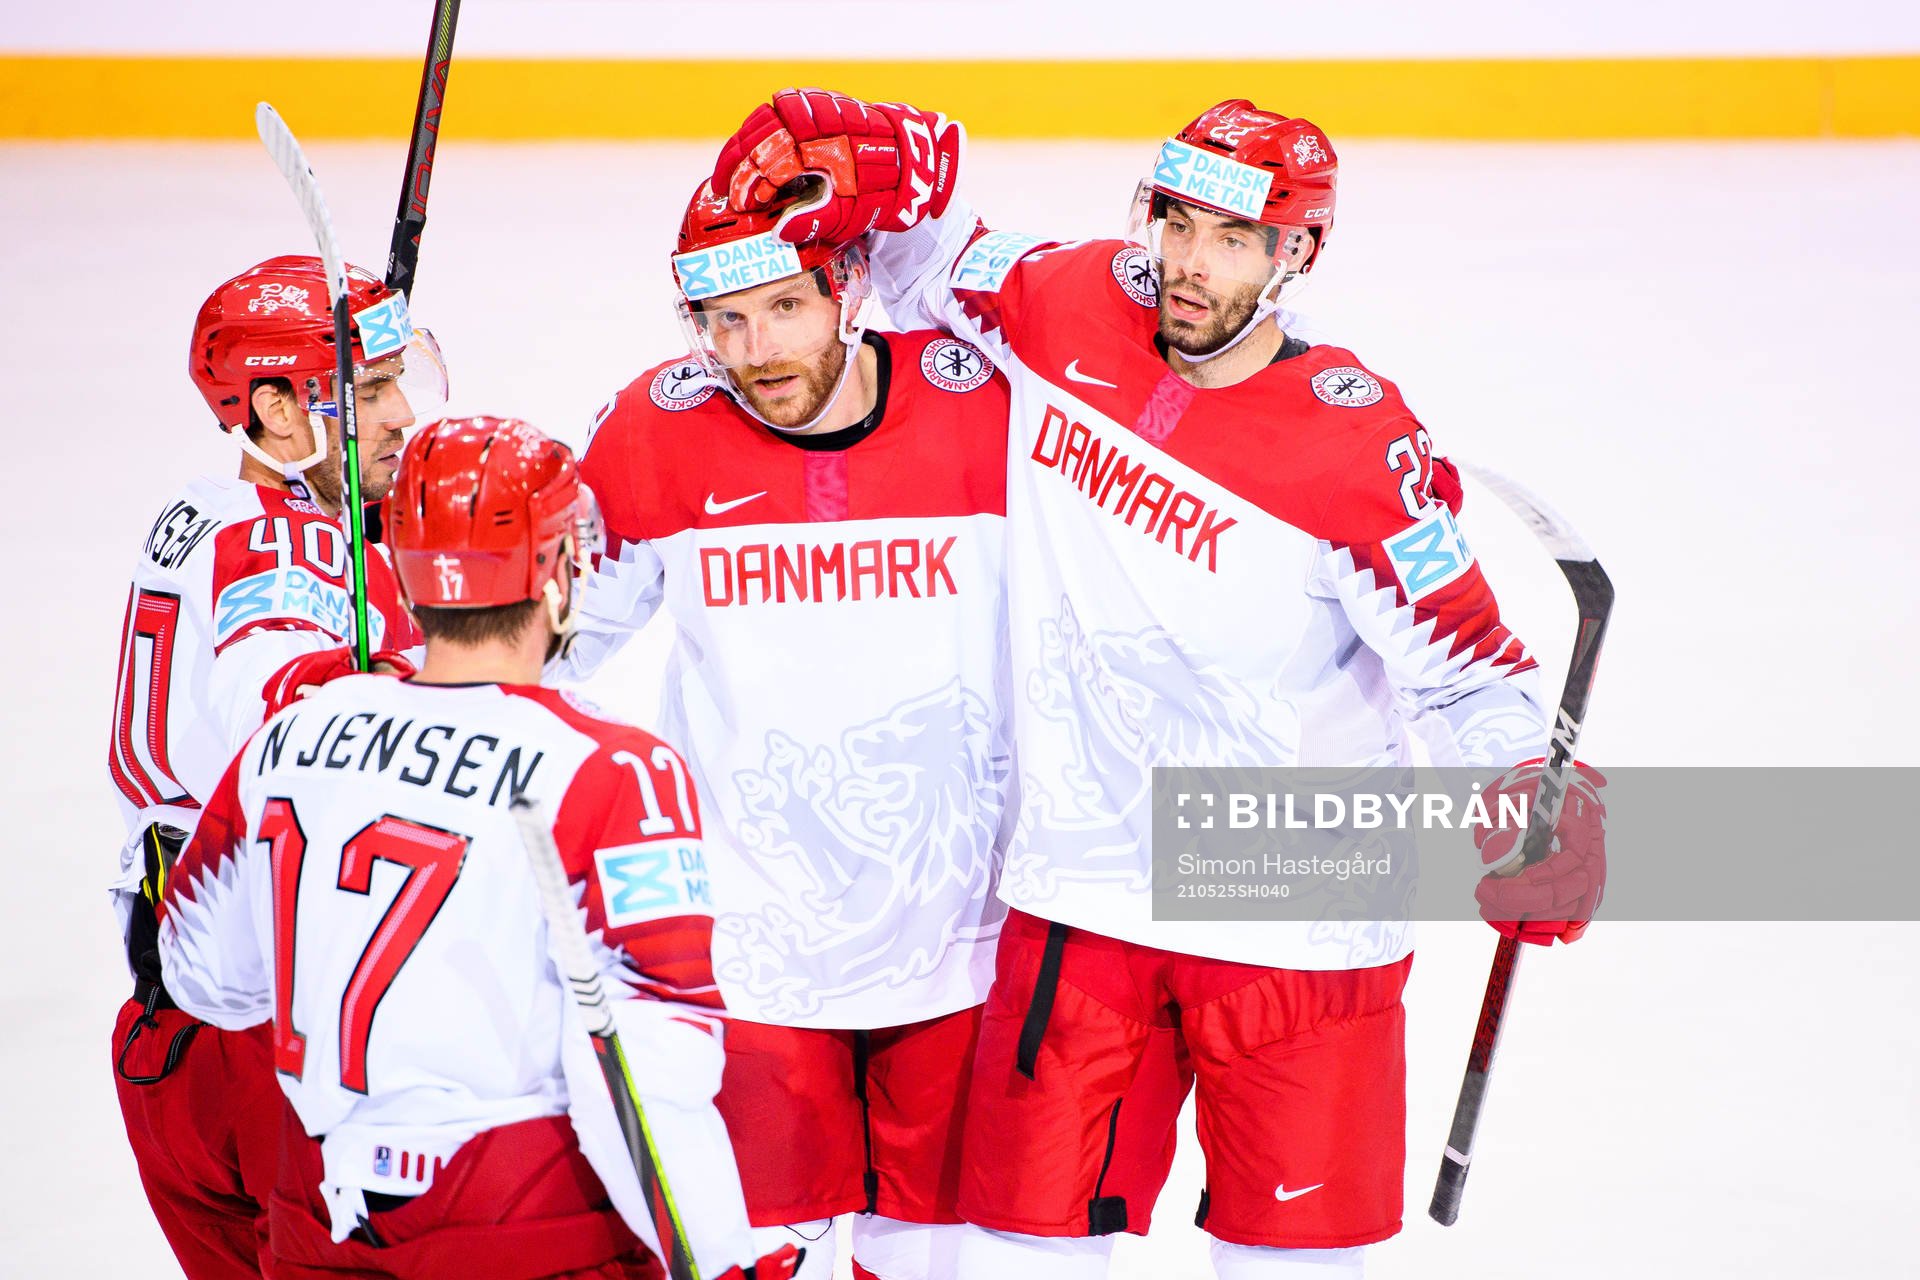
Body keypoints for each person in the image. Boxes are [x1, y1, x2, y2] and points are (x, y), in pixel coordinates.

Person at [710, 92, 1608, 1278]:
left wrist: (1529, 792)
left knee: (1291, 1269)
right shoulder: (1068, 299)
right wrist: (891, 162)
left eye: (1230, 240)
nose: (1188, 264)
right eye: (1176, 223)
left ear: (1296, 253)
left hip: (1298, 920)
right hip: (1082, 899)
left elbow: (1468, 670)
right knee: (1015, 1259)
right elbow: (933, 261)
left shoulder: (1358, 451)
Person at [156, 415, 803, 1280]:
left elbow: (202, 976)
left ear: (403, 575)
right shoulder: (612, 770)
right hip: (523, 1217)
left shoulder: (285, 739)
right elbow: (643, 1073)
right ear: (560, 572)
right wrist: (721, 1261)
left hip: (322, 1218)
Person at [557, 179, 1013, 1280]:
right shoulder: (655, 432)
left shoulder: (982, 408)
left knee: (935, 1262)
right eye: (723, 320)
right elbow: (552, 643)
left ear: (848, 286)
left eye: (783, 308)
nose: (754, 351)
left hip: (960, 946)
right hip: (750, 952)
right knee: (762, 1258)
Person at [108, 253, 441, 1278]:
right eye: (368, 392)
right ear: (275, 411)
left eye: (398, 382)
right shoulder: (284, 550)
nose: (400, 416)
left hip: (172, 1039)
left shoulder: (214, 513)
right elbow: (288, 704)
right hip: (276, 1052)